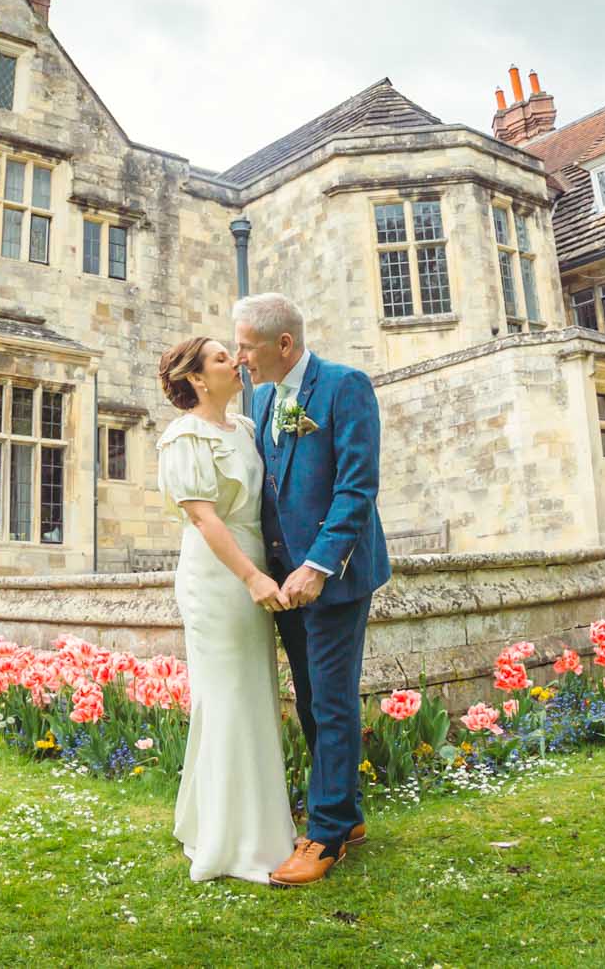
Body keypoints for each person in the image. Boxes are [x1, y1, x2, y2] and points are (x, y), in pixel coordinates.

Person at [232, 292, 392, 887]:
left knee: (330, 701)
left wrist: (319, 565)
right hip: (283, 582)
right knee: (309, 701)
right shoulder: (268, 396)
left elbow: (357, 487)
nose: (238, 356)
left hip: (334, 579)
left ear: (283, 344)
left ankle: (324, 835)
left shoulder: (346, 387)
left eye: (246, 346)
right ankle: (346, 814)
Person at [154, 336, 297, 884]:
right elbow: (205, 519)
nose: (234, 363)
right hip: (218, 575)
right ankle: (230, 842)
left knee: (253, 694)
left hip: (255, 559)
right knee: (229, 696)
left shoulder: (242, 428)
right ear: (195, 379)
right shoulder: (182, 437)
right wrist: (253, 576)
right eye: (220, 358)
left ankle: (246, 826)